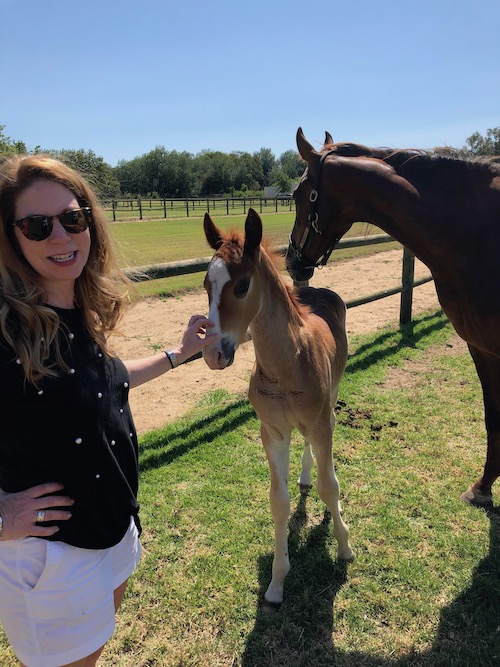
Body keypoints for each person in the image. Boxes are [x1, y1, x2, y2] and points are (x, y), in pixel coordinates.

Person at [0, 154, 216, 667]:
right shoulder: (5, 330)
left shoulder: (73, 311)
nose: (61, 236)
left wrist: (176, 354)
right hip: (52, 555)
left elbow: (108, 384)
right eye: (37, 225)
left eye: (73, 219)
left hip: (113, 530)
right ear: (10, 239)